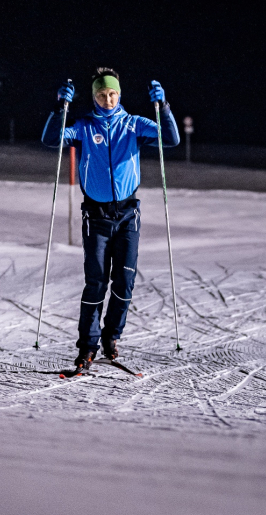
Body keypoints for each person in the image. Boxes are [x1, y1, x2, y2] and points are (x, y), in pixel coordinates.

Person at [40, 67, 180, 370]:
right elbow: (51, 139)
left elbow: (170, 139)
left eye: (112, 93)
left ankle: (110, 336)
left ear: (119, 94)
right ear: (94, 96)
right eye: (102, 94)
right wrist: (59, 107)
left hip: (128, 215)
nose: (108, 98)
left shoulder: (134, 125)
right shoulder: (84, 126)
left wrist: (164, 107)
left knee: (124, 282)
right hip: (97, 215)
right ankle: (87, 347)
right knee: (96, 283)